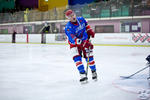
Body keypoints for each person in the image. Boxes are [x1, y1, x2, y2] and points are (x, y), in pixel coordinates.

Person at [64, 9, 97, 83]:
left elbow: (86, 25)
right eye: (70, 16)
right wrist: (85, 44)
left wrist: (90, 31)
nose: (72, 17)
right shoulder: (68, 28)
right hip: (74, 45)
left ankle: (93, 71)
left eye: (73, 15)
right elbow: (74, 40)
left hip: (85, 40)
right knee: (77, 59)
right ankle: (82, 74)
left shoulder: (81, 19)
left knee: (90, 57)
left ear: (75, 14)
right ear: (68, 18)